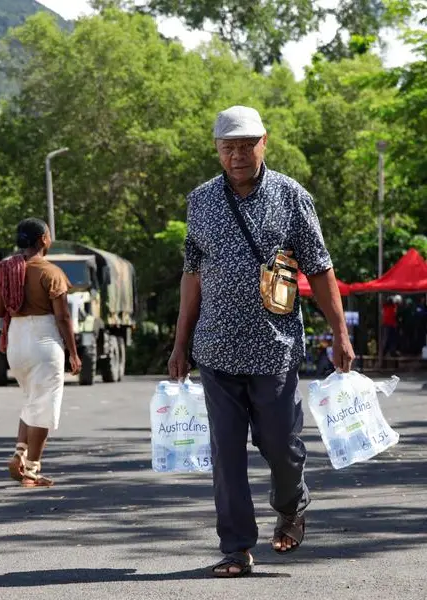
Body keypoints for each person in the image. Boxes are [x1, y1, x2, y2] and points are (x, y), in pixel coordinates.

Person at [168, 106, 354, 577]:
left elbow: (320, 267)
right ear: (216, 150)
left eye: (246, 145)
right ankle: (236, 547)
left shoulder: (291, 196)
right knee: (226, 453)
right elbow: (192, 274)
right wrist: (180, 342)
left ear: (264, 143)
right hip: (215, 348)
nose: (237, 155)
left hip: (274, 348)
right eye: (228, 147)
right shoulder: (200, 200)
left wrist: (340, 333)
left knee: (281, 445)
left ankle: (291, 505)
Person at [0, 218, 82, 487]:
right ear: (43, 239)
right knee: (43, 409)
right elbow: (63, 317)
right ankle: (31, 471)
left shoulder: (4, 270)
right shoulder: (50, 272)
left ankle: (19, 455)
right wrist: (74, 353)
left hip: (16, 342)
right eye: (49, 235)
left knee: (32, 401)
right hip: (43, 342)